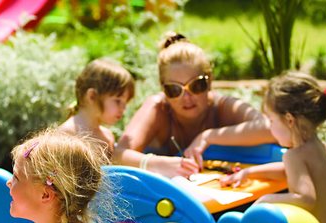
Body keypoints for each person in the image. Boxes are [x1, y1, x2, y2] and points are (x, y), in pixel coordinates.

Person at [221, 72, 326, 223]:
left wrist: (266, 200)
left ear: (289, 120)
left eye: (271, 120)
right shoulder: (323, 149)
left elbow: (306, 198)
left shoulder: (295, 155)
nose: (269, 128)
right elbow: (290, 171)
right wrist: (249, 172)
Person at [114, 32, 277, 178]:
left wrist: (208, 136)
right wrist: (158, 164)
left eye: (196, 85)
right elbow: (118, 155)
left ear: (210, 81)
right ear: (163, 89)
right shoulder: (158, 108)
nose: (186, 97)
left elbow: (272, 128)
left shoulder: (222, 107)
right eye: (174, 89)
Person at [58, 58, 135, 156]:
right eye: (118, 101)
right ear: (92, 96)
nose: (123, 108)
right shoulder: (65, 135)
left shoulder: (107, 137)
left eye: (125, 102)